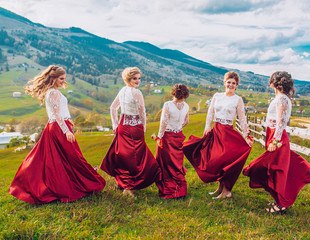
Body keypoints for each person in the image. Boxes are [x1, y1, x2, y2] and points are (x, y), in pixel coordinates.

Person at [9, 65, 106, 204]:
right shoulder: (53, 93)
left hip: (56, 125)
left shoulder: (52, 91)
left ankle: (70, 184)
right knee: (73, 157)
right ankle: (84, 184)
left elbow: (58, 112)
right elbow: (56, 114)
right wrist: (66, 130)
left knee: (62, 159)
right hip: (58, 128)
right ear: (53, 78)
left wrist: (68, 120)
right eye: (61, 78)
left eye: (64, 78)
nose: (63, 81)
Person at [243, 71, 310, 214]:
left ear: (273, 83)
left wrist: (274, 141)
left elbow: (281, 121)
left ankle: (281, 204)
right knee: (275, 169)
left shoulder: (281, 98)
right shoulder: (283, 97)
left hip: (278, 138)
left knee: (275, 170)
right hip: (275, 135)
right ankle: (279, 200)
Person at [183, 71, 253, 199]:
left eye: (233, 83)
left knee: (224, 161)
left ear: (236, 85)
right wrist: (207, 126)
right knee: (214, 160)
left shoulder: (238, 99)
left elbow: (242, 119)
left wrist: (246, 136)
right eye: (229, 82)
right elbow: (210, 112)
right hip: (216, 131)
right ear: (224, 83)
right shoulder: (217, 96)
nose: (230, 85)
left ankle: (227, 191)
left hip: (227, 134)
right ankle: (220, 188)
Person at [100, 67, 160, 198]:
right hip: (135, 128)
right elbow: (142, 113)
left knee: (124, 155)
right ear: (128, 79)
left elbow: (113, 108)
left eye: (139, 78)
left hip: (123, 126)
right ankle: (129, 185)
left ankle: (124, 183)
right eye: (134, 78)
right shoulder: (137, 93)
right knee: (136, 157)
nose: (137, 81)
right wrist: (143, 128)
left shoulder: (122, 90)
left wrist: (115, 124)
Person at [155, 84, 190, 199]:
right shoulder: (186, 106)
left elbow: (163, 122)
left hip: (168, 136)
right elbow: (186, 121)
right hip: (179, 135)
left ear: (173, 93)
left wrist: (159, 136)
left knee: (166, 163)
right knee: (177, 163)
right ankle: (180, 190)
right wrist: (178, 127)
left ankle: (169, 190)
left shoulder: (168, 105)